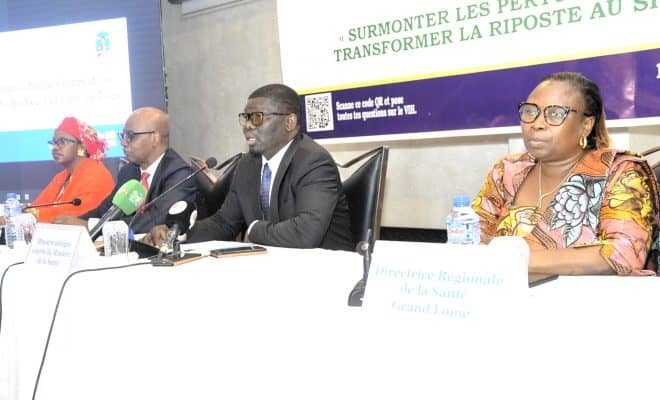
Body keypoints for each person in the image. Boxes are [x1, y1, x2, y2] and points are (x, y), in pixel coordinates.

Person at [473, 72, 660, 276]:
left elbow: (623, 252)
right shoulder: (506, 171)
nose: (537, 123)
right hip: (502, 290)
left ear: (586, 125)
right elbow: (471, 235)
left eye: (555, 114)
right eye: (530, 111)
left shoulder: (621, 172)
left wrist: (518, 258)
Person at [144, 84, 353, 250]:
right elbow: (223, 223)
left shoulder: (313, 161)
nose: (247, 125)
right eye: (246, 117)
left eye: (257, 117)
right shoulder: (249, 164)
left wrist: (253, 230)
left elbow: (305, 234)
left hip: (325, 271)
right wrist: (178, 234)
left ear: (289, 122)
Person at [54, 107, 200, 234]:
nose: (124, 142)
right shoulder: (129, 171)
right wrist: (73, 225)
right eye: (122, 136)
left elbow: (154, 219)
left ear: (154, 139)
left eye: (130, 136)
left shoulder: (180, 174)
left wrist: (90, 226)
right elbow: (105, 211)